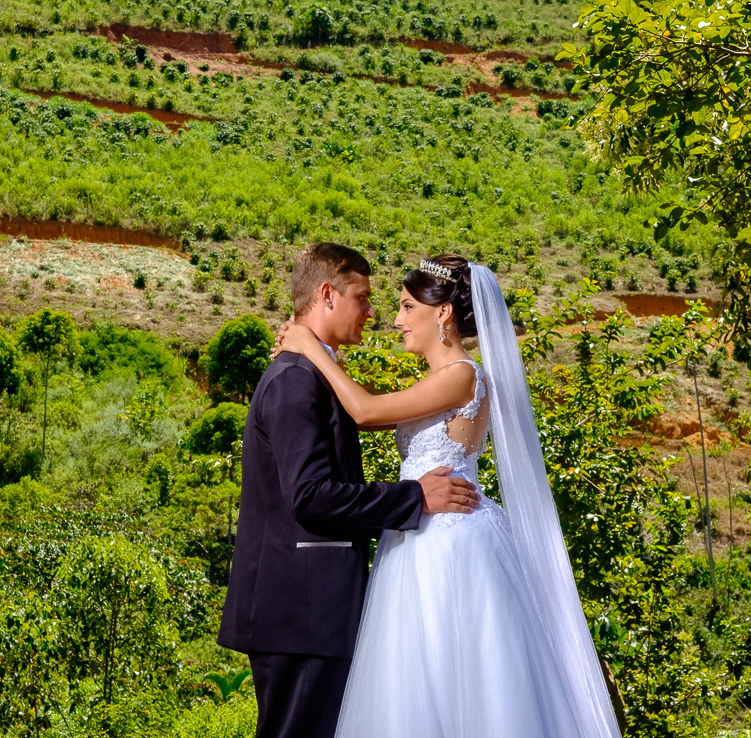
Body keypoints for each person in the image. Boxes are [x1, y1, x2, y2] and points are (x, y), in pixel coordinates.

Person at [272, 254, 625, 738]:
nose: (396, 320)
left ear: (442, 312)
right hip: (414, 534)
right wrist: (320, 357)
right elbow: (367, 408)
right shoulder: (437, 381)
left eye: (406, 307)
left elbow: (366, 411)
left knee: (458, 674)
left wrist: (310, 348)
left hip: (449, 542)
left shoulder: (464, 375)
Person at [217, 243, 482, 738]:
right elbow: (311, 495)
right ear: (327, 294)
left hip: (319, 611)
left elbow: (366, 410)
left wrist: (311, 348)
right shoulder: (296, 379)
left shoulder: (313, 373)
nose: (375, 313)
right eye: (362, 297)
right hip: (302, 611)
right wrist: (414, 497)